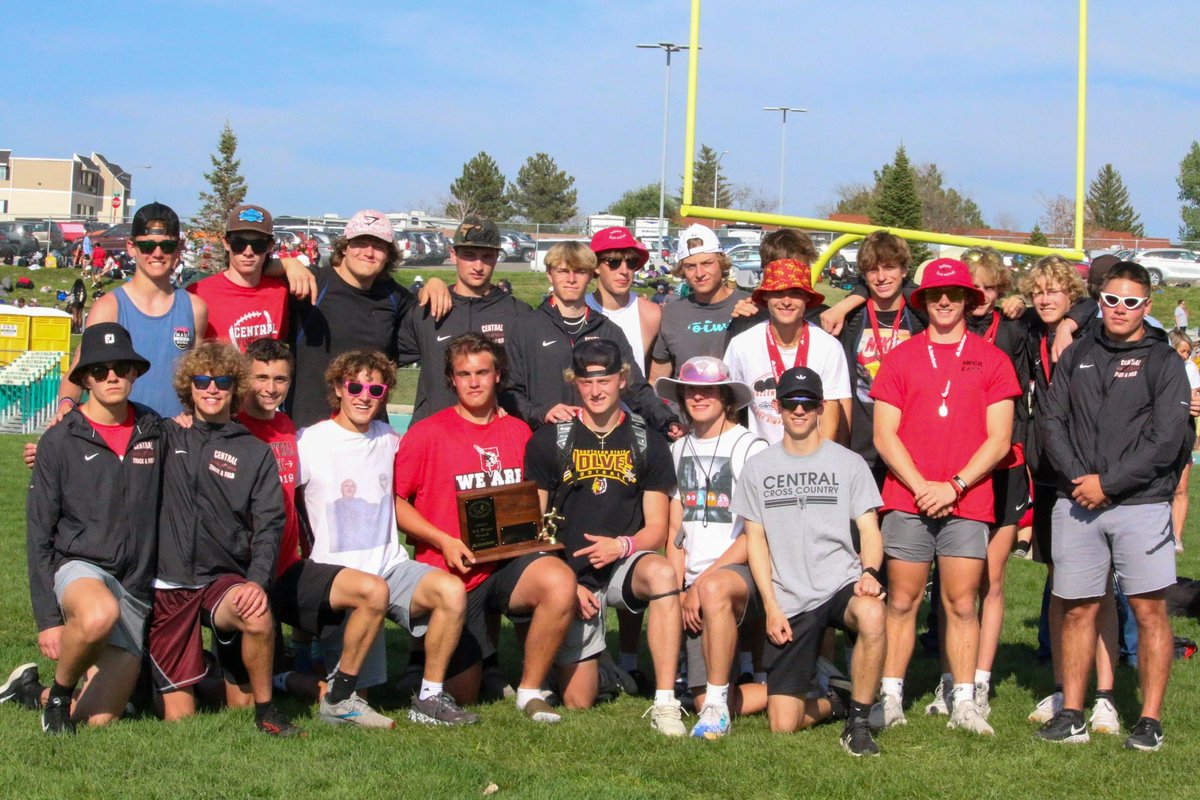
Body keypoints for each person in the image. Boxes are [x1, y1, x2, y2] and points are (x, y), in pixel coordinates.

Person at [1037, 261, 1191, 750]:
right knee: (1077, 609)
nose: (1119, 309)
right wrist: (1080, 480)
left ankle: (1149, 720)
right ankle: (1072, 713)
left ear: (1147, 306)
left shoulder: (1164, 361)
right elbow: (1051, 420)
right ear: (1098, 300)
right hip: (1077, 501)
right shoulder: (1077, 353)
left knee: (1149, 611)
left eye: (1130, 302)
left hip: (1141, 503)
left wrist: (1110, 484)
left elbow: (1167, 438)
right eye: (1110, 299)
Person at [871, 258, 1020, 735]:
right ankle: (890, 697)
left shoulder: (993, 359)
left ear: (969, 300)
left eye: (954, 294)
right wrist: (921, 487)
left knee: (961, 603)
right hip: (907, 498)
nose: (944, 302)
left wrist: (954, 486)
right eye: (935, 294)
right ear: (922, 301)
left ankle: (964, 701)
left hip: (967, 499)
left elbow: (1000, 439)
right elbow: (883, 435)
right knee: (901, 601)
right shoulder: (900, 357)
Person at [392, 333, 576, 721]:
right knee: (465, 694)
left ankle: (531, 690)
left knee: (560, 581)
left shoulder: (518, 431)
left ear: (498, 376)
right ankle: (441, 671)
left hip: (508, 562)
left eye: (482, 372)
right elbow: (395, 502)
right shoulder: (426, 433)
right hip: (456, 572)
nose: (474, 382)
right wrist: (443, 540)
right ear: (451, 379)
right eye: (464, 374)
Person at [296, 350, 476, 725]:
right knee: (355, 700)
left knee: (451, 590)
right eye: (355, 387)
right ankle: (288, 679)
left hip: (390, 568)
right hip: (341, 579)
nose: (364, 396)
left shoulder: (391, 439)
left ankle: (429, 697)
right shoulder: (309, 442)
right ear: (338, 388)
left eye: (375, 389)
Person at [523, 340, 684, 733]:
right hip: (570, 575)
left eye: (604, 380)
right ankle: (603, 667)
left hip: (622, 565)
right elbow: (534, 525)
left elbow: (657, 528)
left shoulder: (648, 441)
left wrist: (622, 545)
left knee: (662, 573)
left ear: (622, 379)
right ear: (574, 382)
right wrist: (564, 581)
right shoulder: (549, 440)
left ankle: (666, 703)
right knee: (579, 701)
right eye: (586, 381)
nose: (596, 391)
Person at [237, 337, 396, 728]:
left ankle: (331, 689)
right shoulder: (232, 428)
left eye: (280, 379)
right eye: (261, 378)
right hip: (242, 570)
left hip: (287, 567)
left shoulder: (287, 429)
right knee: (239, 701)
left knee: (369, 590)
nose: (270, 388)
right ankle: (293, 678)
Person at [147, 342, 302, 736]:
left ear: (236, 389)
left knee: (257, 614)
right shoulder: (165, 435)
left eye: (223, 382)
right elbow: (109, 443)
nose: (212, 389)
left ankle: (266, 711)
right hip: (169, 584)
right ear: (189, 387)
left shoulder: (254, 451)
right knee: (180, 718)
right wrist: (47, 451)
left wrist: (257, 581)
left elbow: (270, 525)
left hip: (221, 581)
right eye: (202, 381)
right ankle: (166, 675)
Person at [736, 366, 888, 756]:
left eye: (807, 403)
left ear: (821, 407)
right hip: (790, 598)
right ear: (778, 406)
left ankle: (858, 724)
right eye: (791, 402)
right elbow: (756, 542)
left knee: (872, 613)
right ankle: (838, 701)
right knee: (782, 724)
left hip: (840, 584)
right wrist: (771, 606)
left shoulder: (849, 463)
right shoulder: (758, 468)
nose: (799, 410)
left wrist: (870, 572)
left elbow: (870, 530)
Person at [22, 323, 161, 734]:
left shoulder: (155, 428)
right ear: (85, 379)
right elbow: (38, 533)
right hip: (80, 567)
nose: (111, 377)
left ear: (134, 373)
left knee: (98, 721)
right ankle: (59, 698)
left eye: (121, 368)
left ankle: (30, 692)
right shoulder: (59, 440)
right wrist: (48, 619)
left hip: (134, 584)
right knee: (100, 612)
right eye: (100, 370)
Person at [658, 356, 769, 739]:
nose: (698, 397)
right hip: (695, 582)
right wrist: (678, 588)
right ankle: (794, 690)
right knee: (698, 698)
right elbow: (676, 529)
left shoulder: (750, 447)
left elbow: (754, 535)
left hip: (738, 572)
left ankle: (720, 707)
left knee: (715, 589)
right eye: (690, 390)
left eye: (709, 391)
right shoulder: (678, 449)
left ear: (727, 398)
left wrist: (702, 582)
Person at [284, 209, 450, 428]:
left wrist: (434, 283)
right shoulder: (315, 283)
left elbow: (425, 314)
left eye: (379, 246)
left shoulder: (394, 297)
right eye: (360, 243)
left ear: (388, 255)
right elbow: (252, 269)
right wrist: (286, 264)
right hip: (308, 430)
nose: (369, 252)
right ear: (344, 247)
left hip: (369, 432)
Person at [506, 241, 681, 437]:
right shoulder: (525, 327)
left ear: (591, 275)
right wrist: (541, 413)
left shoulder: (608, 330)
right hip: (544, 439)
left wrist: (667, 421)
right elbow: (509, 391)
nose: (571, 279)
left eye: (580, 271)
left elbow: (635, 389)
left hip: (598, 445)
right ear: (549, 274)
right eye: (563, 271)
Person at [57, 202, 206, 418]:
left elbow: (200, 377)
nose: (157, 253)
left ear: (178, 249)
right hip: (124, 433)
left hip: (177, 434)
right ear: (131, 247)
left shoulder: (195, 308)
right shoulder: (109, 307)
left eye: (167, 246)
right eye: (147, 246)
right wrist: (66, 405)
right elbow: (78, 370)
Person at [395, 215, 529, 423]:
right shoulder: (427, 309)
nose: (478, 266)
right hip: (434, 433)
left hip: (493, 434)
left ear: (497, 257)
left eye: (487, 256)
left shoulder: (518, 314)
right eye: (469, 255)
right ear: (453, 254)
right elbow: (381, 357)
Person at [723, 257, 851, 447]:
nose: (786, 301)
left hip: (811, 458)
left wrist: (822, 460)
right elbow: (728, 407)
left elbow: (831, 415)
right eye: (778, 293)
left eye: (795, 293)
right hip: (759, 456)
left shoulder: (829, 347)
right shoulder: (742, 345)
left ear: (807, 298)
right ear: (765, 297)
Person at [648, 224, 751, 384]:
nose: (699, 273)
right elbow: (657, 380)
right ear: (682, 270)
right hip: (685, 400)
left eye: (707, 263)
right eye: (690, 266)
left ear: (721, 263)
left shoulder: (749, 306)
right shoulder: (672, 313)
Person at [188, 205, 289, 351]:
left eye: (258, 245)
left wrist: (292, 264)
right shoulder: (197, 294)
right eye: (239, 244)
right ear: (226, 243)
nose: (248, 252)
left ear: (269, 246)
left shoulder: (280, 291)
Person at [585, 227, 662, 370]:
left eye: (631, 262)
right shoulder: (579, 310)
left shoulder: (651, 313)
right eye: (614, 262)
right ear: (596, 266)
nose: (624, 271)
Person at [1168, 330, 1200, 554]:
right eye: (1182, 351)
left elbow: (1194, 400)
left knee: (1181, 486)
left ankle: (1176, 538)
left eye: (1188, 352)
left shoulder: (1190, 368)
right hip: (1162, 431)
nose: (1186, 356)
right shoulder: (1160, 366)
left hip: (1184, 430)